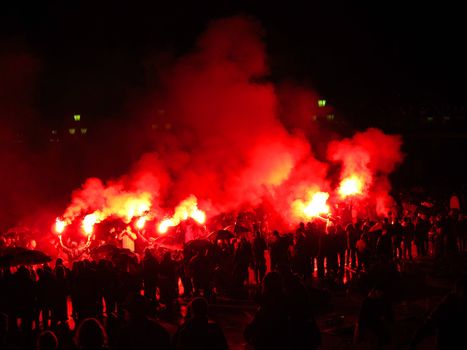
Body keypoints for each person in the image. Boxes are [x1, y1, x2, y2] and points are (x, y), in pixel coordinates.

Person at [410, 276, 467, 349]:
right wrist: (415, 341)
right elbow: (430, 324)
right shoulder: (447, 306)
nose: (464, 294)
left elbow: (430, 323)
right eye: (463, 290)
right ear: (458, 290)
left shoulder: (447, 305)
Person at [244, 272, 289, 350]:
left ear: (266, 287)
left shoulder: (267, 307)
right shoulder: (286, 302)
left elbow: (252, 331)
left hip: (267, 344)